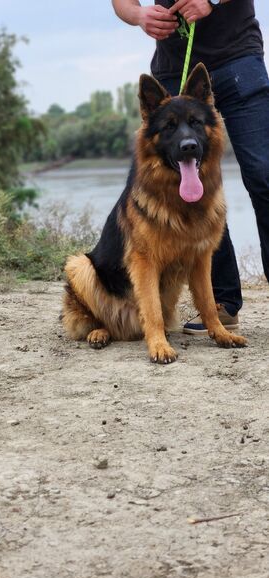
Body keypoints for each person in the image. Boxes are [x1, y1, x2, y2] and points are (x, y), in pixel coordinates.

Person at [112, 0, 269, 333]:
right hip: (173, 68)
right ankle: (221, 304)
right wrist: (139, 15)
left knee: (264, 175)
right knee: (188, 188)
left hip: (237, 58)